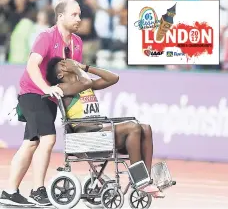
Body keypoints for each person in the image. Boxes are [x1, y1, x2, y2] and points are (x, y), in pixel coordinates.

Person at [0, 0, 85, 206]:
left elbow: (73, 76)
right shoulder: (46, 37)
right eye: (74, 14)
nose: (79, 19)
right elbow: (32, 66)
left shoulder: (77, 43)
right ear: (60, 16)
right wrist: (46, 88)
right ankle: (38, 191)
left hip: (51, 96)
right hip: (32, 92)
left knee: (31, 143)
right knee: (47, 139)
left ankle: (10, 192)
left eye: (80, 15)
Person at [46, 57, 165, 198]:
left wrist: (85, 67)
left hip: (100, 135)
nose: (68, 62)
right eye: (63, 64)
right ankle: (139, 180)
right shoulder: (63, 88)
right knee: (133, 127)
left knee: (145, 128)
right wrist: (76, 68)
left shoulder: (85, 84)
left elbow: (113, 78)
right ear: (60, 75)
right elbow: (86, 82)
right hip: (85, 138)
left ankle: (146, 179)